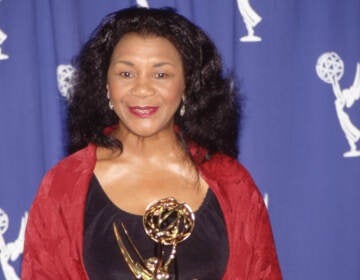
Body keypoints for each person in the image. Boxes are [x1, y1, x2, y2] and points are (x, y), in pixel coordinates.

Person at [21, 6, 282, 280]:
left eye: (161, 74)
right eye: (126, 74)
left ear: (187, 85)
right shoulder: (63, 186)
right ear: (105, 84)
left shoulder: (233, 185)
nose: (142, 89)